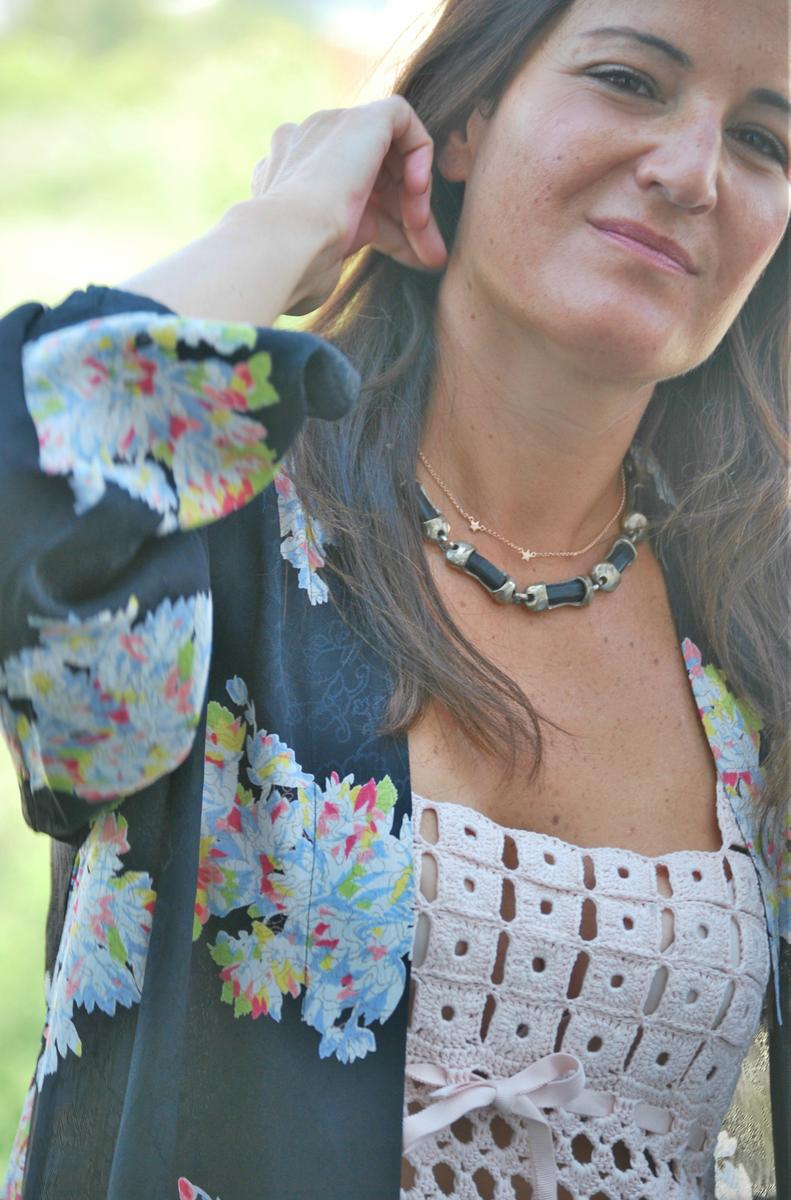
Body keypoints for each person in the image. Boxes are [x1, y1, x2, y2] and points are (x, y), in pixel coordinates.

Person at [1, 0, 788, 1196]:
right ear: (462, 119)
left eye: (763, 140)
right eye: (630, 80)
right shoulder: (212, 533)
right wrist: (285, 222)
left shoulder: (753, 641)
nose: (691, 172)